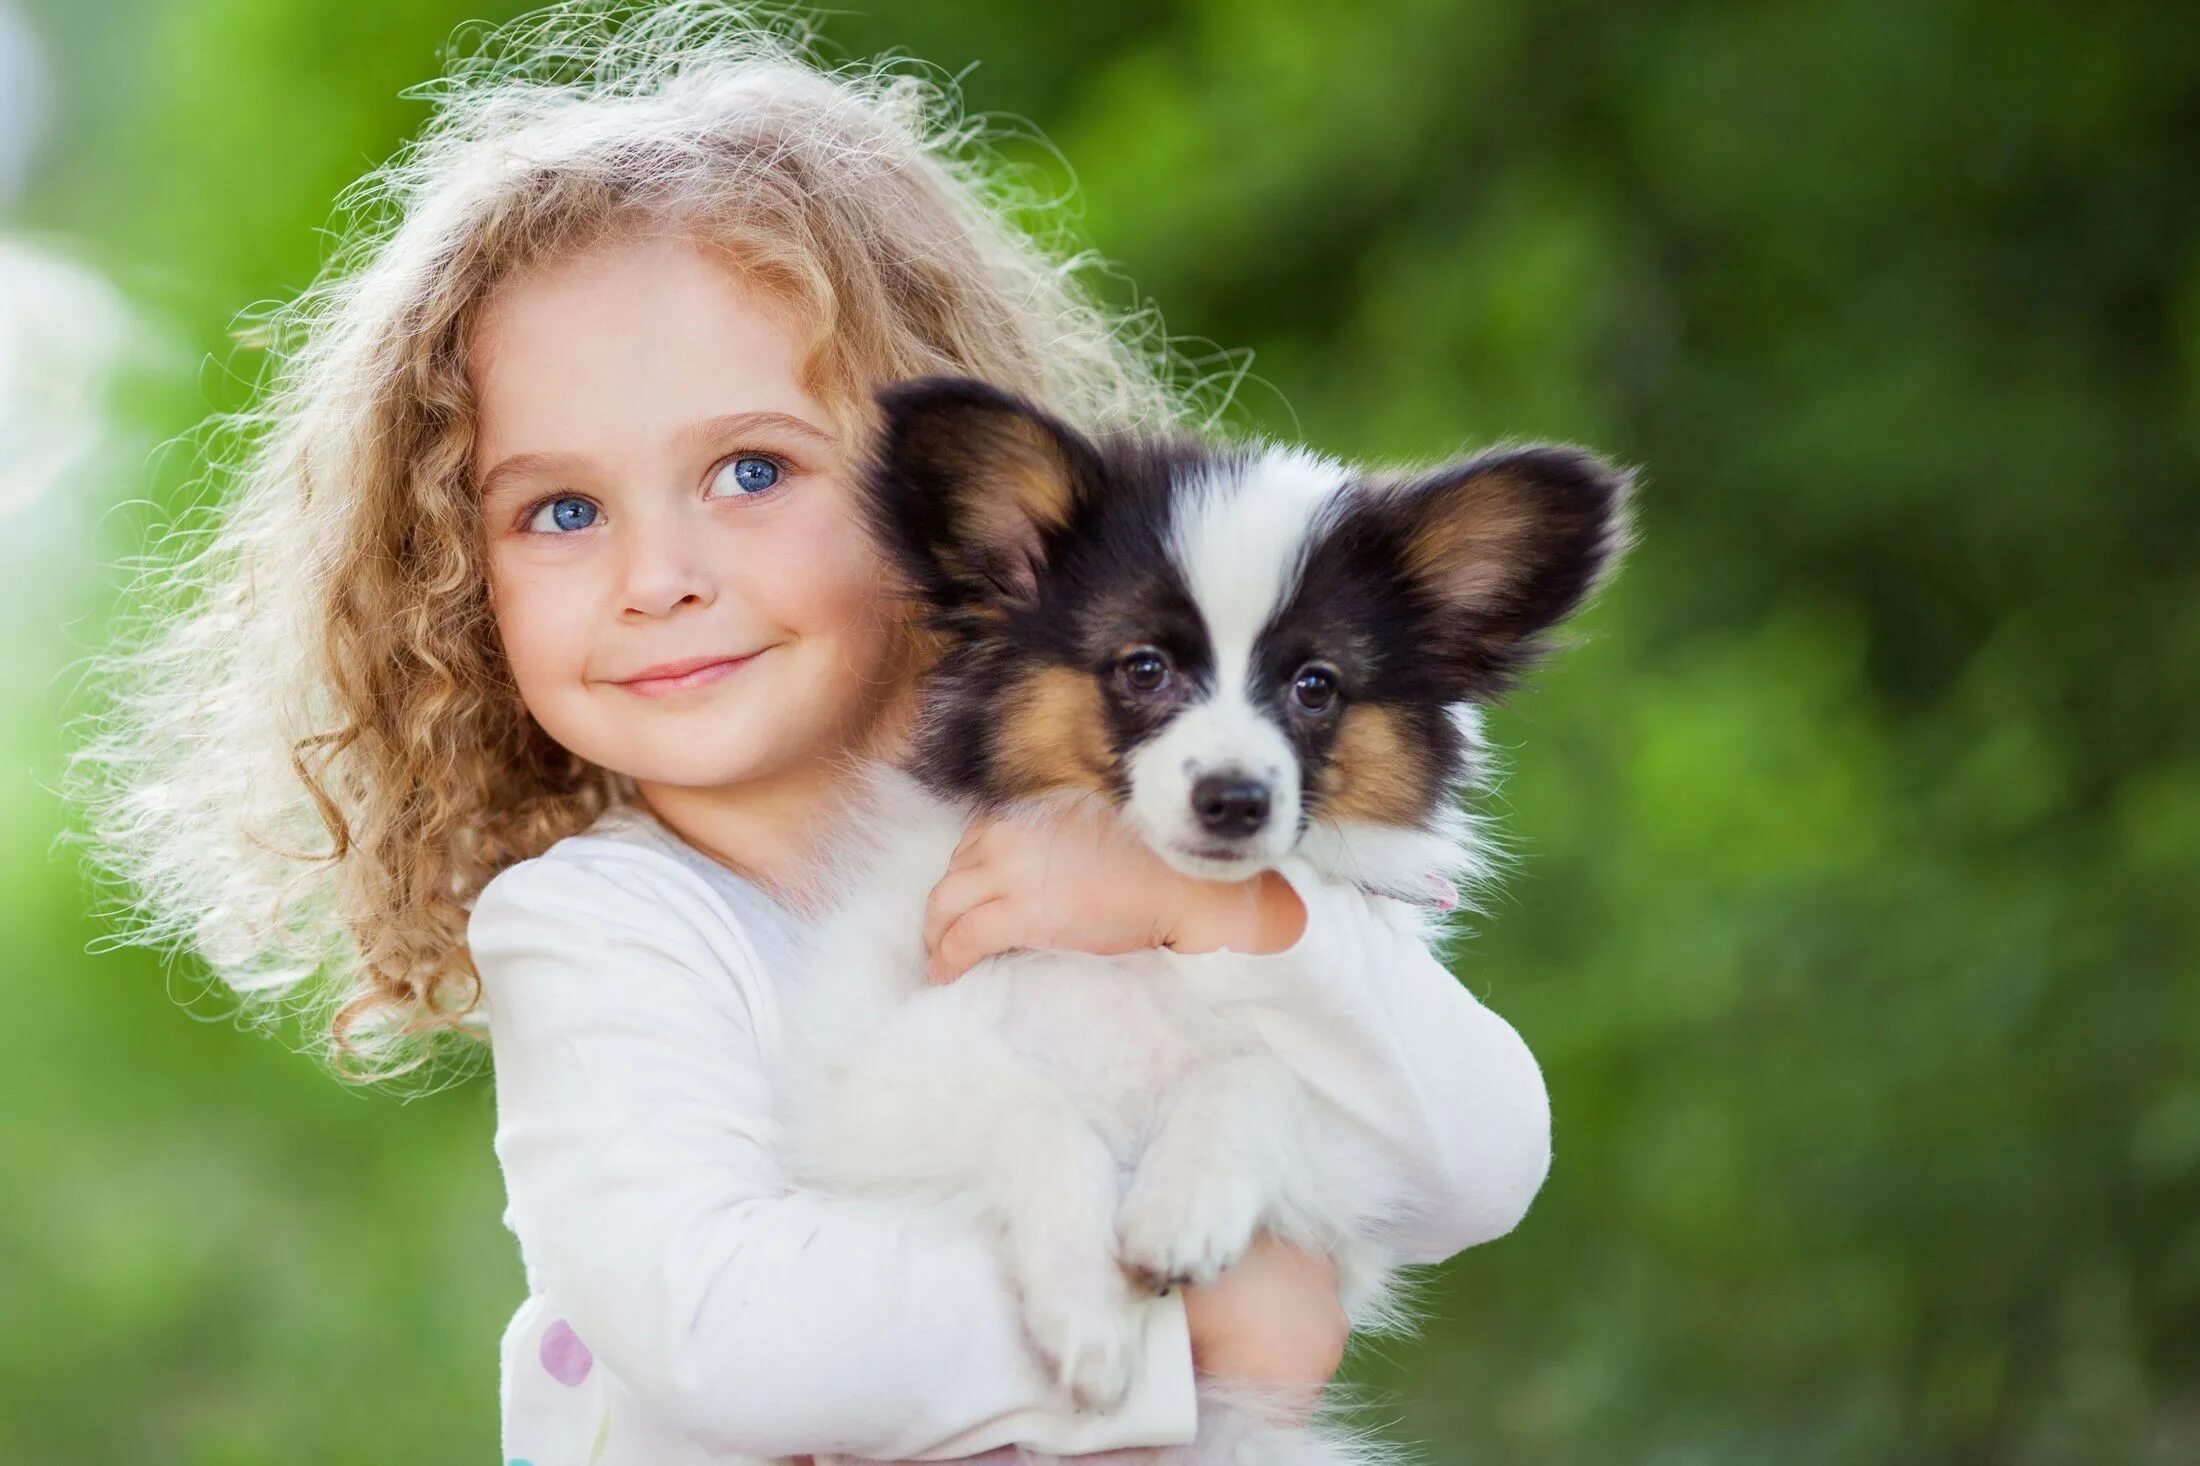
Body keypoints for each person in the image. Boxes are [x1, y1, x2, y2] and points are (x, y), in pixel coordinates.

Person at [73, 8, 1551, 1463]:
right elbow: (730, 1332)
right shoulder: (601, 927)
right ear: (457, 582)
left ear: (964, 526)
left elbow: (1477, 1162)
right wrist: (1198, 1333)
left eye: (753, 468)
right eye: (563, 510)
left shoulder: (1116, 843)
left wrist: (1203, 909)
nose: (660, 577)